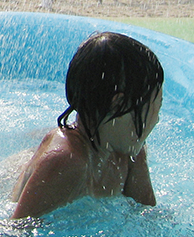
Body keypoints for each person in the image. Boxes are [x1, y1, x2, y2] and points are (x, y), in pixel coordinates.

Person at [9, 32, 163, 220]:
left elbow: (150, 218)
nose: (157, 120)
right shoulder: (66, 161)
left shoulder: (129, 154)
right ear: (118, 104)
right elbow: (14, 230)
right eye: (156, 107)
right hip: (10, 175)